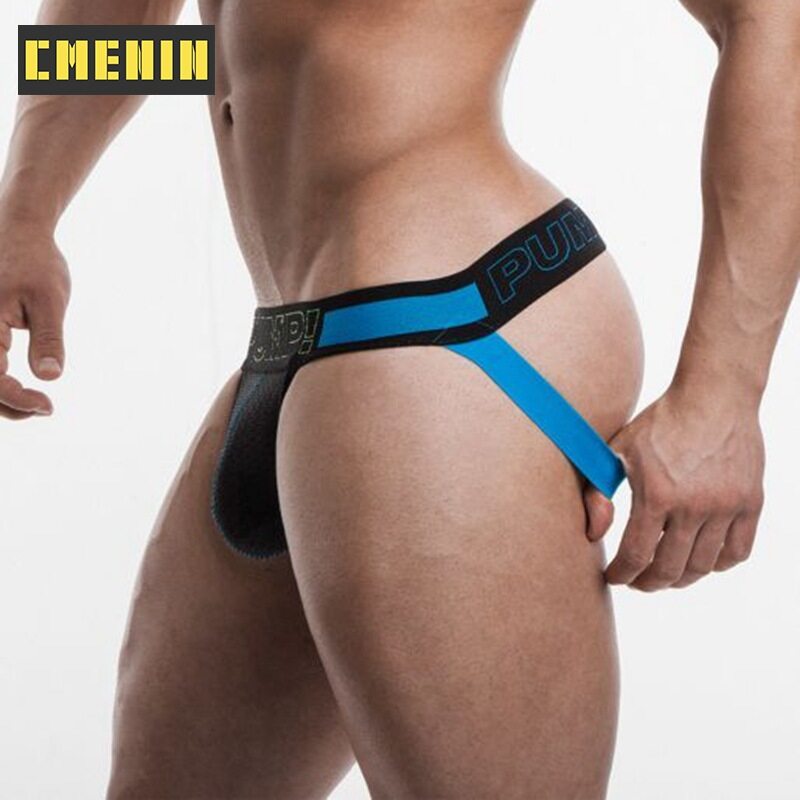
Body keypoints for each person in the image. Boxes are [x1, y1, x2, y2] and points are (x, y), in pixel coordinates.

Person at [0, 0, 796, 797]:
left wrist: (723, 394)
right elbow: (152, 34)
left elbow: (768, 18)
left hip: (451, 319)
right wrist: (27, 210)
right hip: (287, 338)